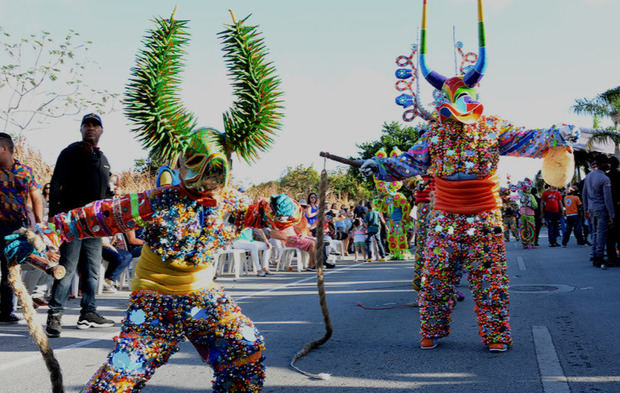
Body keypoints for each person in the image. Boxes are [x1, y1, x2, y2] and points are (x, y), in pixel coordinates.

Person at [359, 0, 576, 352]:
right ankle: (431, 330)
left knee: (490, 279)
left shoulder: (493, 127)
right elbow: (410, 163)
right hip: (444, 217)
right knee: (435, 280)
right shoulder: (435, 134)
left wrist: (558, 134)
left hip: (485, 217)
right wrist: (379, 166)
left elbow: (529, 139)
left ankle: (495, 335)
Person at [46, 113, 115, 336]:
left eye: (95, 125)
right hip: (73, 221)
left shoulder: (103, 159)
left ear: (102, 131)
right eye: (87, 125)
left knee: (92, 271)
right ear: (81, 129)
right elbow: (56, 183)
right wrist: (55, 217)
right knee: (66, 269)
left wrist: (110, 221)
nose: (91, 128)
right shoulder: (71, 152)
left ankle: (88, 313)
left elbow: (105, 194)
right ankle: (55, 315)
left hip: (95, 224)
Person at [0, 132, 44, 322]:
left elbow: (36, 198)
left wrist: (40, 224)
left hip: (16, 227)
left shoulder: (25, 171)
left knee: (10, 269)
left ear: (4, 148)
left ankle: (5, 310)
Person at [582, 155, 615, 268]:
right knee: (601, 233)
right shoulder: (605, 179)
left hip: (591, 208)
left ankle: (595, 254)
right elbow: (608, 199)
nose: (608, 165)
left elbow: (584, 194)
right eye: (606, 163)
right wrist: (612, 214)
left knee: (595, 233)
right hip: (601, 209)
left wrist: (586, 208)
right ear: (602, 164)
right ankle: (599, 258)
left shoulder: (588, 176)